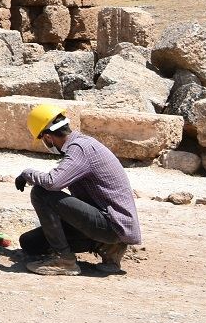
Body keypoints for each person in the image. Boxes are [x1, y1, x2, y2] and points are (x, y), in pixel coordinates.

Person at [15, 103, 141, 276]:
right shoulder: (82, 144)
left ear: (48, 137)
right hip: (104, 222)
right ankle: (105, 246)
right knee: (30, 243)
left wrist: (26, 173)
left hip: (112, 225)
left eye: (43, 140)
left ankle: (64, 260)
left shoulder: (79, 149)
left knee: (41, 193)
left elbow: (53, 182)